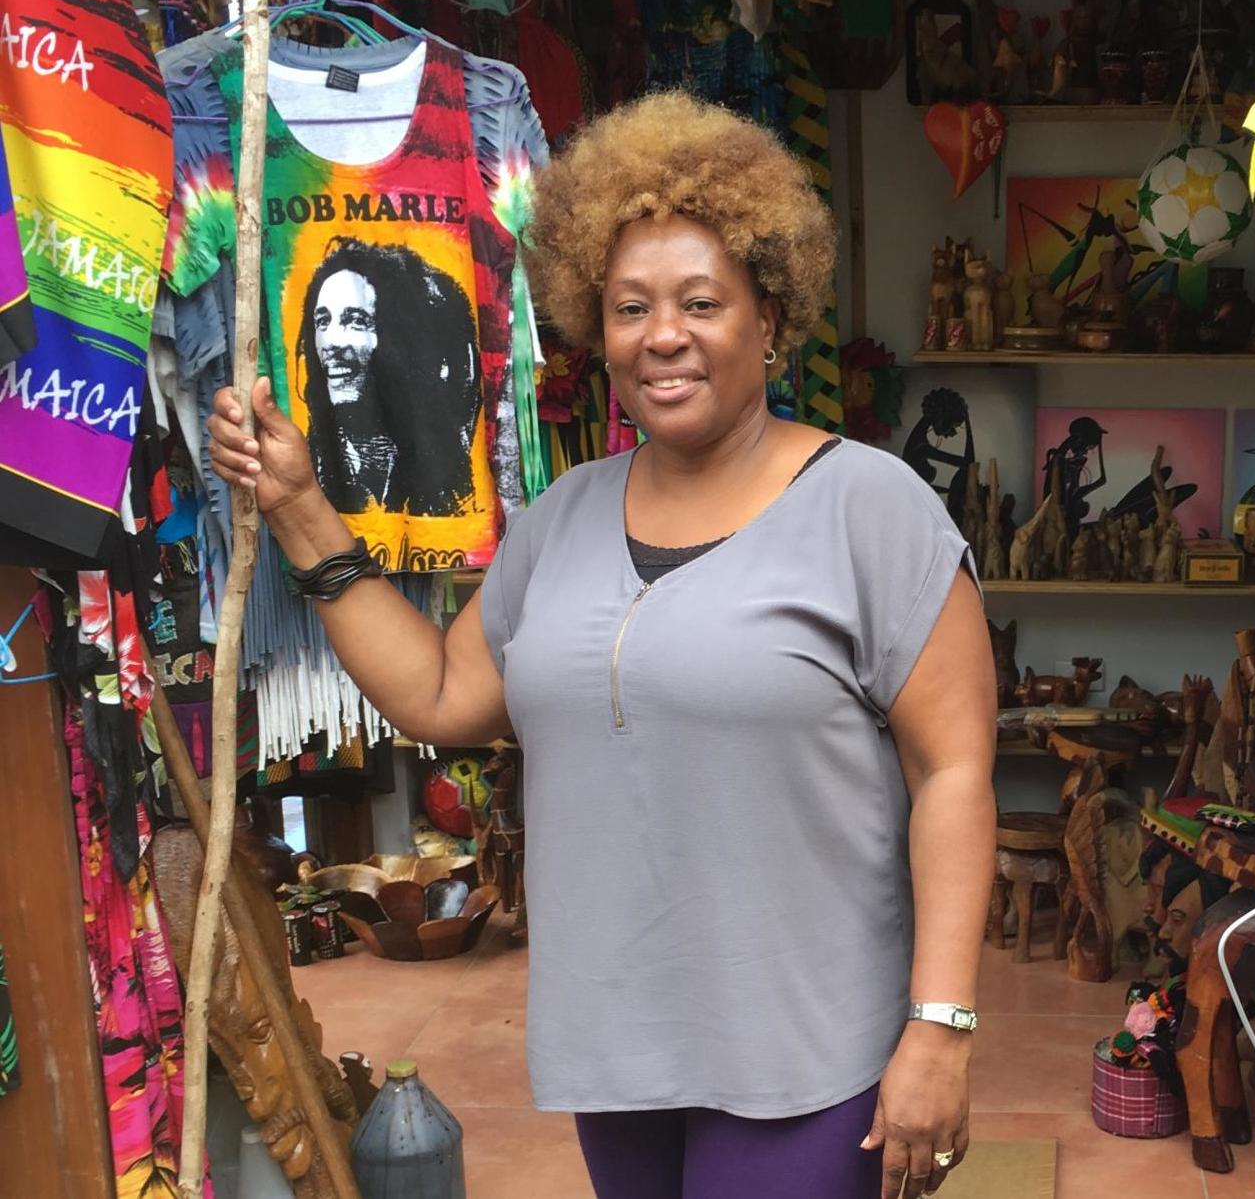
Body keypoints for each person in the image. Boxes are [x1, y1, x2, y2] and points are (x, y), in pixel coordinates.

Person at [210, 90, 997, 1199]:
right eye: (630, 308)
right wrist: (300, 509)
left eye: (699, 302)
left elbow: (954, 774)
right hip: (617, 1048)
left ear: (770, 317)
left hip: (809, 1055)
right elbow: (437, 695)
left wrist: (941, 1025)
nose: (662, 336)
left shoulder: (873, 511)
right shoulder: (560, 523)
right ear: (597, 327)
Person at [293, 237, 484, 516]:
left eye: (356, 320)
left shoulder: (447, 472)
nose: (330, 341)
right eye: (322, 321)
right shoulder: (307, 467)